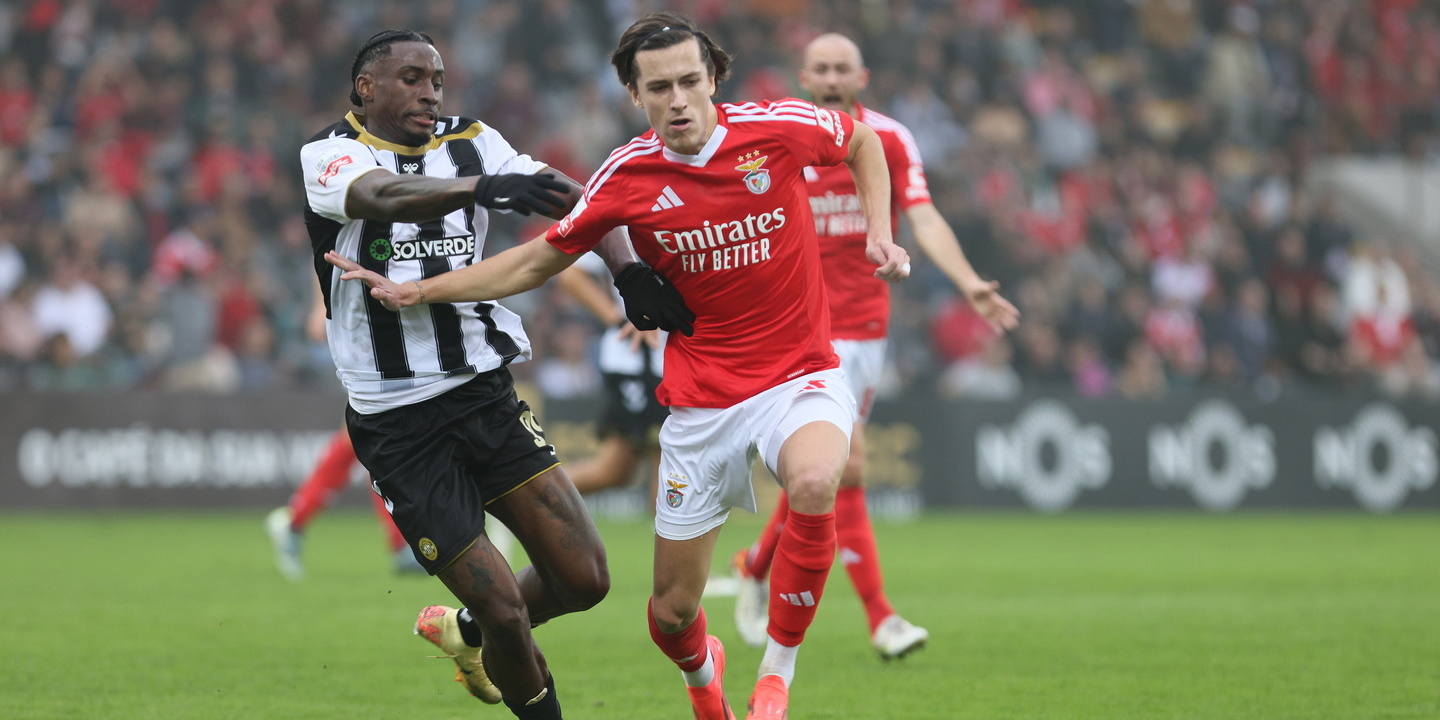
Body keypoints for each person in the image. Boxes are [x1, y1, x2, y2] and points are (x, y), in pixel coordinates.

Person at [326, 14, 910, 720]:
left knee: (818, 479)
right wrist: (421, 288)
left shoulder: (777, 126)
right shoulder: (627, 174)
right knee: (669, 616)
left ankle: (774, 683)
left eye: (691, 81)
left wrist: (880, 231)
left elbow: (862, 141)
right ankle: (705, 685)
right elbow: (540, 259)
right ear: (636, 95)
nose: (679, 100)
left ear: (713, 79)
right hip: (700, 404)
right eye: (659, 87)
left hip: (798, 376)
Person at [299, 29, 685, 720]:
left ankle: (464, 635)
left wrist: (627, 270)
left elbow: (570, 193)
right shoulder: (330, 153)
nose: (430, 91)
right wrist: (484, 185)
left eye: (438, 79)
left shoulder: (474, 137)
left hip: (484, 392)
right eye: (412, 77)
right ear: (366, 87)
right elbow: (382, 197)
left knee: (585, 579)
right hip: (398, 421)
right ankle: (503, 652)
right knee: (506, 609)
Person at [731, 32, 1020, 660]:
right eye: (821, 69)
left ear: (861, 77)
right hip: (799, 327)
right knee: (852, 466)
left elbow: (924, 214)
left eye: (843, 69)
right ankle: (881, 618)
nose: (832, 78)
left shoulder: (887, 139)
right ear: (803, 76)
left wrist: (968, 282)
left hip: (867, 330)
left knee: (827, 474)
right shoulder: (781, 137)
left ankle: (754, 565)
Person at [552, 252, 667, 509]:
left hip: (665, 362)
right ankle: (522, 495)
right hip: (643, 363)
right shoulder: (626, 218)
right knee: (670, 464)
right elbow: (571, 274)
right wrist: (620, 319)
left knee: (615, 471)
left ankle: (522, 495)